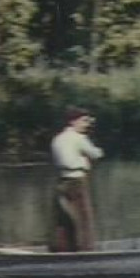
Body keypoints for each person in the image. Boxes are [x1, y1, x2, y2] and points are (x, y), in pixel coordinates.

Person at [49, 107, 103, 252]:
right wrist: (86, 157)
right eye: (84, 121)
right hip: (77, 181)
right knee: (84, 217)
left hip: (62, 181)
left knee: (63, 218)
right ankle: (85, 250)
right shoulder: (79, 138)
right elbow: (96, 154)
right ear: (73, 122)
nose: (87, 124)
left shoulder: (58, 138)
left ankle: (61, 249)